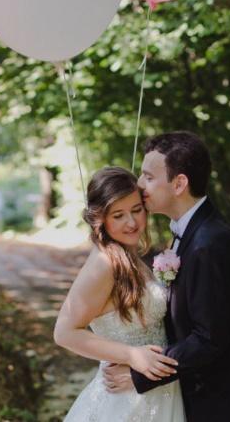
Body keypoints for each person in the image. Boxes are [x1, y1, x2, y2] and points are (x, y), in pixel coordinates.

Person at [103, 131, 230, 422]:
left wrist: (141, 373)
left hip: (228, 403)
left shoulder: (210, 243)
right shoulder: (189, 232)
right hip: (206, 396)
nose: (139, 184)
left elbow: (209, 339)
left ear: (179, 183)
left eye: (148, 177)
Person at [54, 166, 186, 421]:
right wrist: (132, 355)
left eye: (136, 210)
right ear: (100, 219)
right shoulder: (104, 264)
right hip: (125, 399)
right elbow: (64, 332)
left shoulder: (129, 256)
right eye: (118, 215)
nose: (132, 223)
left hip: (156, 388)